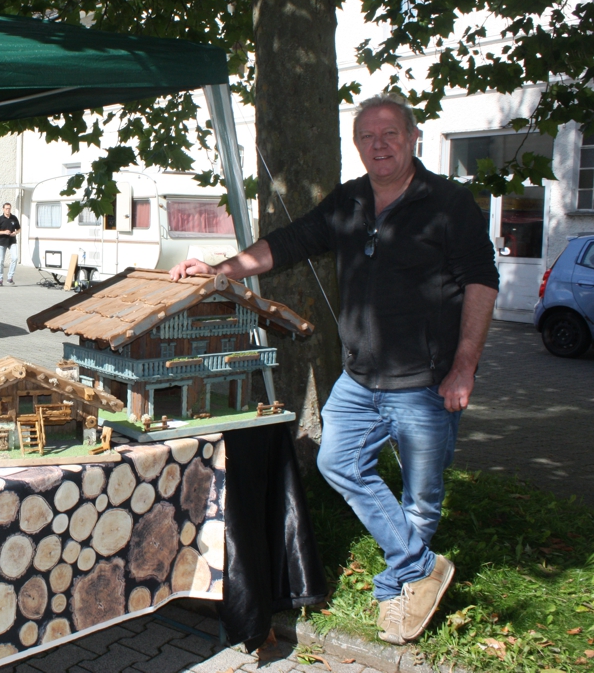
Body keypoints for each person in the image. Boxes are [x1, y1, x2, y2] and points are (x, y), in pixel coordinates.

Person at [169, 92, 499, 645]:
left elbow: (482, 282)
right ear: (356, 145)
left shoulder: (449, 203)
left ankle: (398, 592)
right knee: (338, 463)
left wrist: (465, 367)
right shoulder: (350, 202)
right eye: (367, 136)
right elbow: (288, 242)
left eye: (390, 133)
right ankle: (422, 569)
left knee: (421, 500)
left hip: (426, 381)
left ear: (413, 137)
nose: (379, 144)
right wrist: (221, 271)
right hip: (360, 378)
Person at [0, 202, 21, 286]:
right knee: (1, 261)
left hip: (12, 241)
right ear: (3, 209)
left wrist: (16, 233)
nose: (8, 210)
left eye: (9, 208)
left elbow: (19, 229)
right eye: (6, 208)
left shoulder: (14, 218)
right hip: (2, 242)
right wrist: (4, 232)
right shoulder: (0, 219)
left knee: (15, 258)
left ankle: (10, 277)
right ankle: (0, 279)